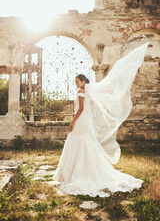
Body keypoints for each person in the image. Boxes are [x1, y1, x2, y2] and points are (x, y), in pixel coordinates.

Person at [54, 43, 148, 197]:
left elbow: (81, 109)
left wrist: (72, 121)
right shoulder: (87, 91)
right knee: (83, 143)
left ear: (83, 82)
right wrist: (74, 116)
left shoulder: (81, 92)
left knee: (78, 142)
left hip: (81, 121)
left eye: (78, 82)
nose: (76, 84)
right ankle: (84, 170)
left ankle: (76, 174)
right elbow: (83, 108)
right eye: (75, 82)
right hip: (83, 120)